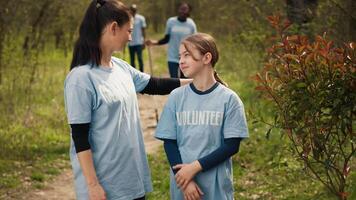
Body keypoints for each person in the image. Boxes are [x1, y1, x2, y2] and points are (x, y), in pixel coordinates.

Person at [64, 1, 191, 199]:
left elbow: (154, 85)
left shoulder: (121, 67)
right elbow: (80, 137)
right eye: (129, 31)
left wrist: (198, 81)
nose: (131, 38)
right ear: (114, 28)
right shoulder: (81, 78)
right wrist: (93, 185)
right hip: (104, 187)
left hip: (130, 179)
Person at [155, 33, 249, 200]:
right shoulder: (176, 97)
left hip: (216, 187)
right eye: (180, 56)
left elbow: (231, 146)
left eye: (187, 55)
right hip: (183, 186)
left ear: (206, 58)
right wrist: (185, 179)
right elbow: (169, 142)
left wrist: (194, 168)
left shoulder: (229, 99)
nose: (181, 61)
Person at [146, 2, 197, 78]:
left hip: (186, 57)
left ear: (188, 11)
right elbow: (166, 39)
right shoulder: (171, 21)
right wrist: (154, 42)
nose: (183, 11)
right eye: (181, 9)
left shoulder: (191, 24)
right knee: (174, 81)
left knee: (185, 81)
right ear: (178, 10)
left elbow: (195, 41)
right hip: (172, 57)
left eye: (185, 9)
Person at [128, 4, 146, 72]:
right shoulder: (128, 18)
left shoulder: (141, 18)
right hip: (130, 43)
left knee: (140, 59)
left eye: (134, 10)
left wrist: (144, 41)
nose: (133, 11)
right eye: (132, 10)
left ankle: (142, 73)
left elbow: (143, 30)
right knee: (132, 60)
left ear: (136, 10)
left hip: (139, 42)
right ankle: (134, 74)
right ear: (130, 10)